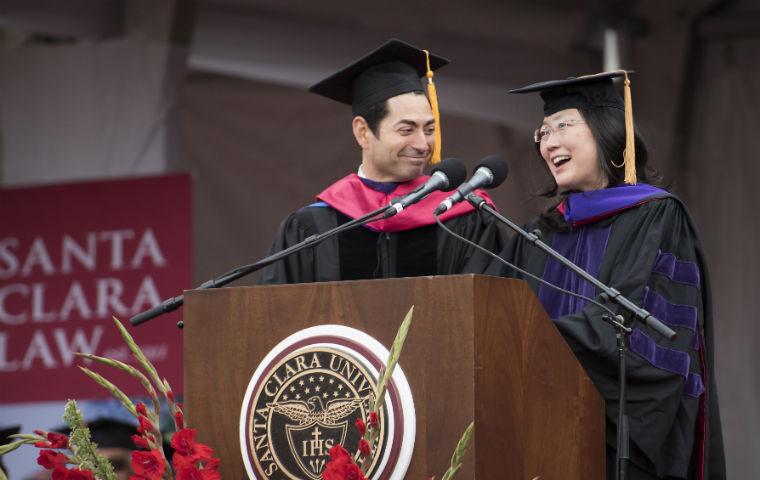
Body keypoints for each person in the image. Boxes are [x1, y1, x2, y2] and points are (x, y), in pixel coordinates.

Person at [486, 71, 725, 479]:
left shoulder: (655, 216)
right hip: (537, 441)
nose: (550, 142)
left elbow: (650, 340)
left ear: (606, 129)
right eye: (543, 132)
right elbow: (490, 319)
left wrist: (534, 343)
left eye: (564, 125)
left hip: (622, 446)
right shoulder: (539, 234)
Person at [258, 39, 506, 284]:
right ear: (363, 132)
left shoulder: (465, 216)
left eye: (429, 130)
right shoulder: (313, 226)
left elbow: (490, 309)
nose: (422, 144)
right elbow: (279, 315)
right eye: (406, 130)